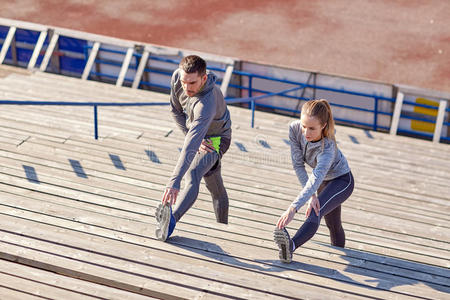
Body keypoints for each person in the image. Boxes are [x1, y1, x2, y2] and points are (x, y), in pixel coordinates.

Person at [155, 55, 232, 241]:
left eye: (192, 83)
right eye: (184, 82)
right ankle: (223, 229)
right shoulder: (177, 78)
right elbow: (175, 110)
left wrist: (174, 181)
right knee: (215, 185)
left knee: (193, 173)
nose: (187, 88)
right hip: (197, 132)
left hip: (216, 138)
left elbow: (191, 144)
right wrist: (191, 134)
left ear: (204, 78)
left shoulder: (206, 104)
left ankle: (171, 221)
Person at [274, 99, 354, 263]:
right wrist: (311, 196)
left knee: (314, 213)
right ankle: (339, 258)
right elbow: (298, 165)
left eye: (312, 128)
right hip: (323, 181)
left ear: (323, 125)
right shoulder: (294, 129)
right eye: (304, 126)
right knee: (333, 224)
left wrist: (293, 208)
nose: (305, 132)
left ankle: (290, 246)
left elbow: (316, 177)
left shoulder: (327, 149)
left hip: (342, 181)